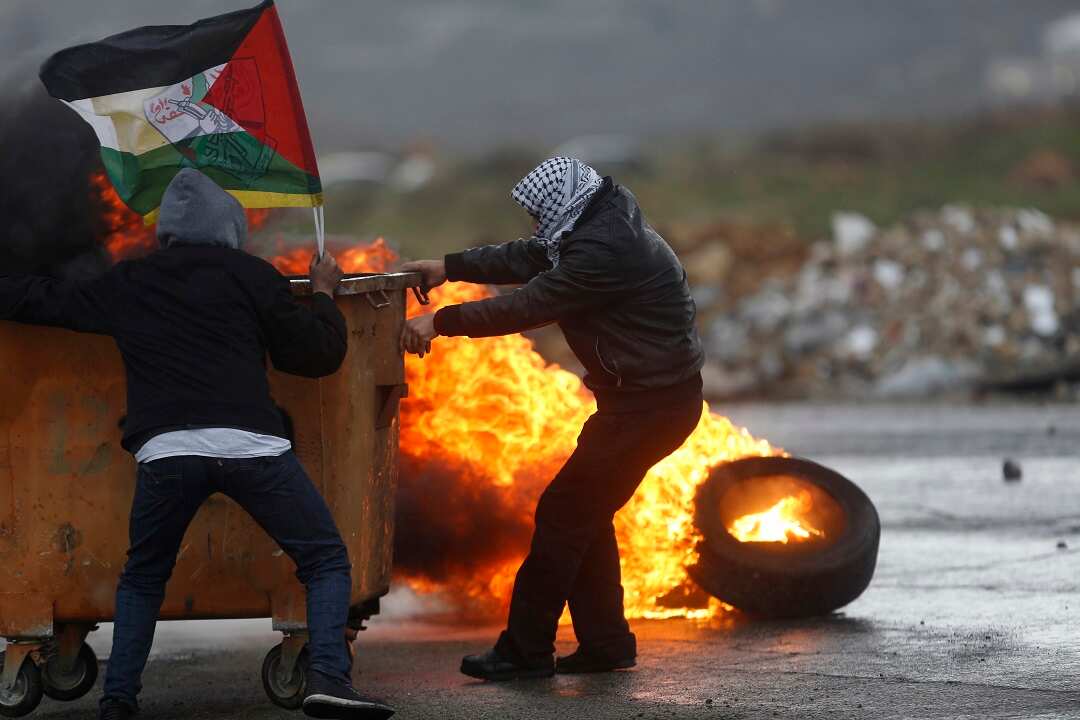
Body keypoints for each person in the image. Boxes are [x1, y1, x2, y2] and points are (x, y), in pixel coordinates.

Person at [0, 169, 394, 720]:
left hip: (167, 454)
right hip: (252, 448)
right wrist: (324, 293)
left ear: (168, 233)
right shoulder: (254, 277)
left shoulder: (131, 281)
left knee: (143, 576)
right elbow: (316, 356)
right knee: (325, 558)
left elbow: (43, 300)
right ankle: (328, 678)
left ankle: (118, 701)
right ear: (232, 229)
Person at [400, 157, 705, 680]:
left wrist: (439, 321)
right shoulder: (596, 219)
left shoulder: (603, 249)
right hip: (643, 402)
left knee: (562, 517)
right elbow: (530, 256)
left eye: (540, 215)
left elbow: (529, 305)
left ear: (562, 204)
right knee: (584, 514)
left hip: (648, 409)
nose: (536, 227)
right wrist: (449, 266)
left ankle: (525, 651)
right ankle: (606, 644)